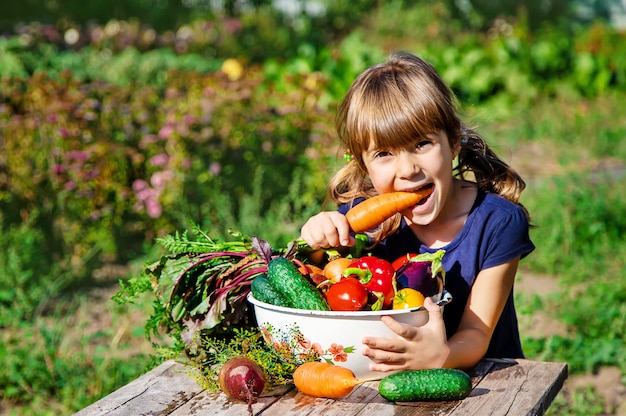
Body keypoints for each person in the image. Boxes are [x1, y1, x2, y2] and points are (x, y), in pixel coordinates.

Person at [300, 51, 534, 372]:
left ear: (453, 143)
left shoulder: (497, 222)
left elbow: (476, 332)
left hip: (487, 379)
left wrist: (440, 356)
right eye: (384, 153)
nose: (408, 169)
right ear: (364, 166)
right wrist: (316, 240)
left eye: (421, 144)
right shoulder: (360, 224)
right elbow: (324, 283)